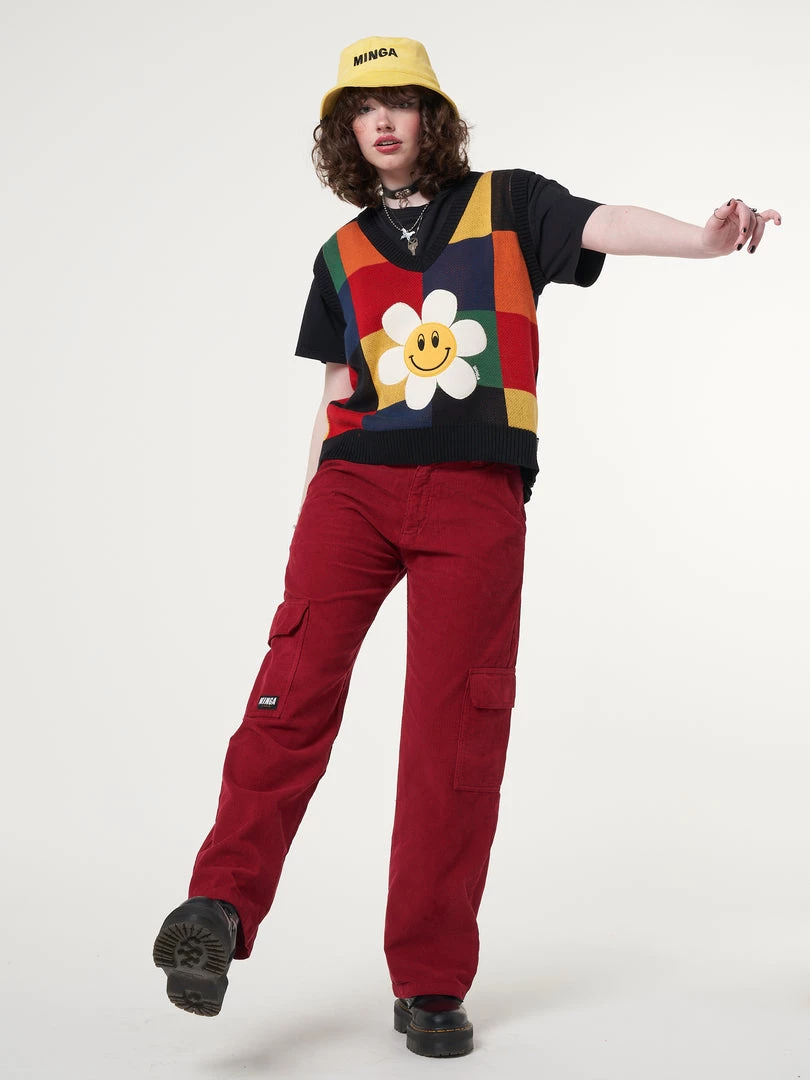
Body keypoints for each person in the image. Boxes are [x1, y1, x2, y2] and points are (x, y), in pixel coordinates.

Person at [152, 36, 782, 1059]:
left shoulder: (509, 204)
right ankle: (216, 909)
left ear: (431, 117)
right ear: (345, 132)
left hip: (476, 497)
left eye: (400, 102)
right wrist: (309, 514)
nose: (382, 121)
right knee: (291, 689)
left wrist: (704, 241)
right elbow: (336, 393)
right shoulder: (338, 255)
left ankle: (430, 979)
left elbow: (604, 223)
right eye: (363, 109)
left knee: (456, 735)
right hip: (352, 495)